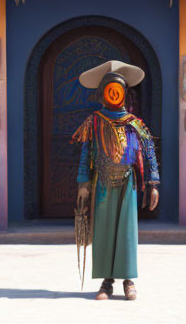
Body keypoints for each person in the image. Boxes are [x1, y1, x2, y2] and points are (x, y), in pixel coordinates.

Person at [70, 60, 159, 301]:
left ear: (124, 94)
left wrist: (153, 184)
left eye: (117, 89)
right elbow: (86, 153)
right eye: (110, 89)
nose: (113, 93)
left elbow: (149, 151)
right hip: (102, 183)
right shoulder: (94, 121)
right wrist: (83, 184)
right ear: (103, 94)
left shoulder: (134, 123)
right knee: (104, 232)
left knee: (127, 232)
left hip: (128, 183)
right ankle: (106, 283)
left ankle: (128, 281)